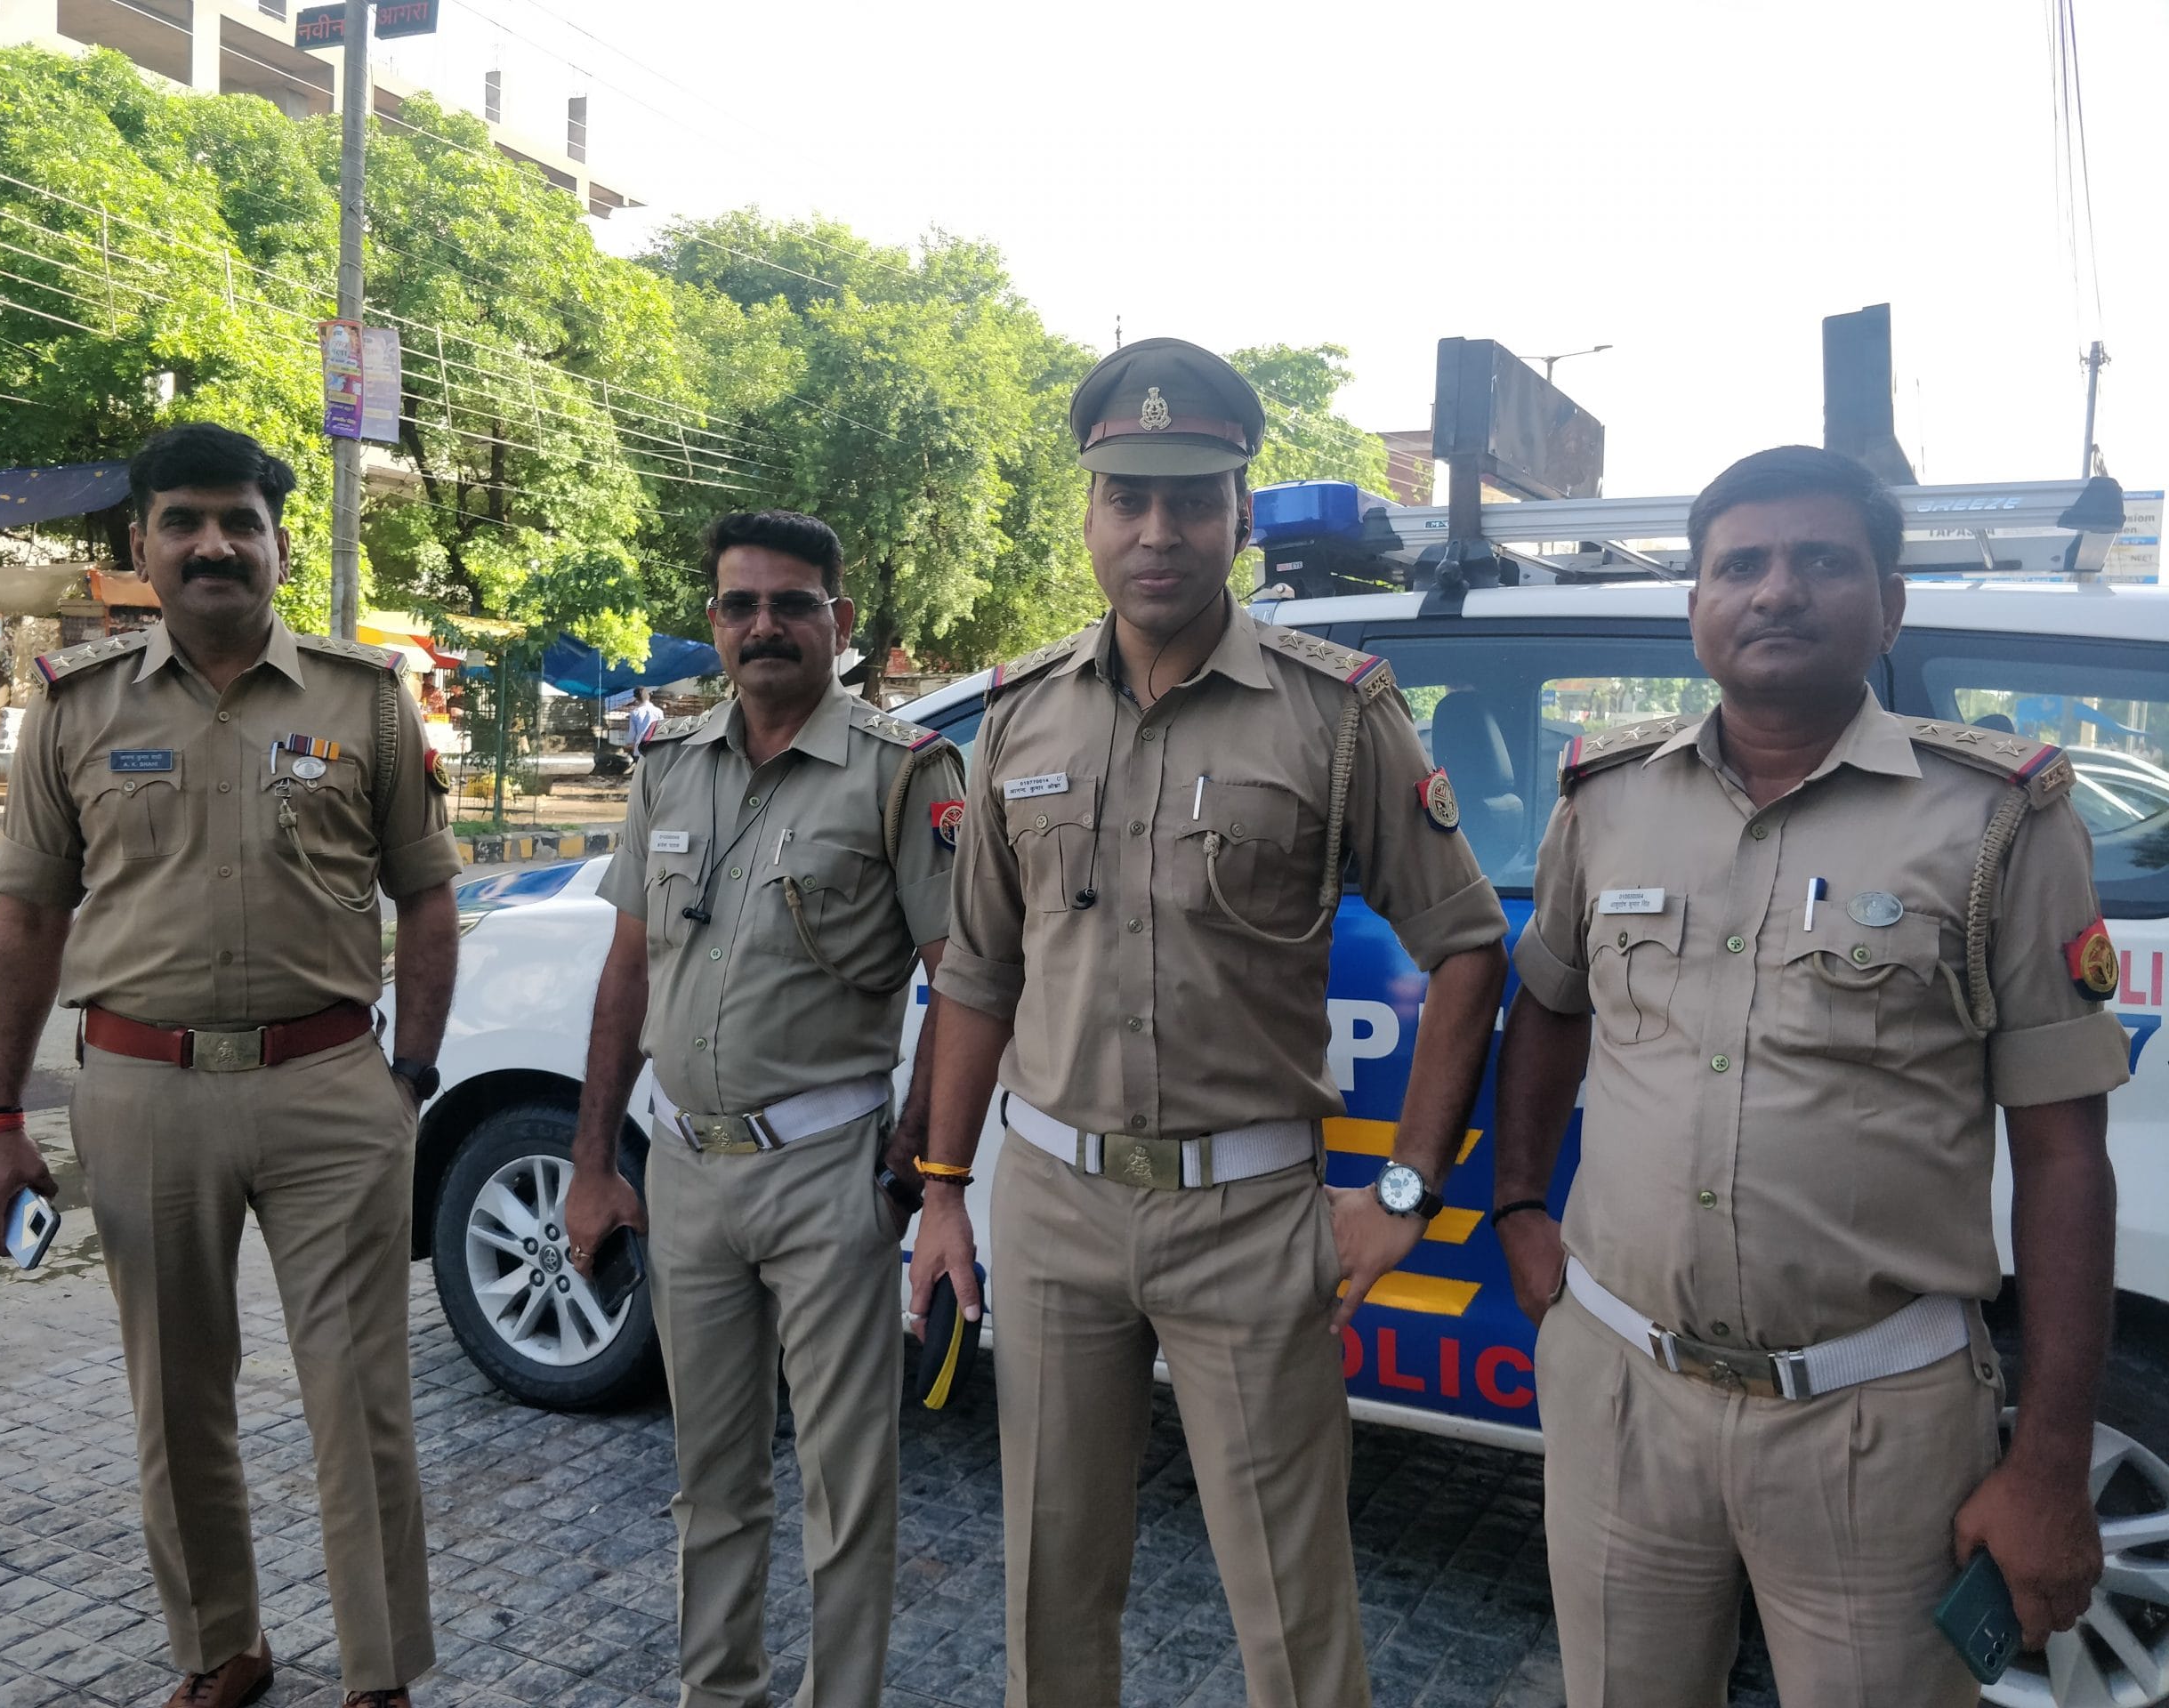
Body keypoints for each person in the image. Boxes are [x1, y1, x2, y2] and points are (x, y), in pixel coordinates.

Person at [908, 337, 1510, 1708]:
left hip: (1252, 1224)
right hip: (1053, 1208)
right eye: (1128, 498)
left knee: (1292, 1605)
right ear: (1090, 514)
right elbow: (979, 974)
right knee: (1051, 1583)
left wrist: (1406, 1189)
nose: (1158, 531)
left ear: (1239, 512)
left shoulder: (1336, 716)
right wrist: (945, 1192)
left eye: (1191, 499)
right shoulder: (1017, 717)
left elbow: (1468, 948)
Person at [1490, 445, 2128, 1707]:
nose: (1777, 590)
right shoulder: (1606, 799)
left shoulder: (2000, 819)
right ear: (1696, 611)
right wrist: (1517, 1205)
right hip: (1622, 1387)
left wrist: (2050, 1462)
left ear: (1887, 604)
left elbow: (2064, 1155)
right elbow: (1549, 1005)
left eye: (1821, 561)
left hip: (1873, 1414)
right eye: (1743, 565)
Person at [0, 423, 462, 1708]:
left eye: (240, 520)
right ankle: (221, 1649)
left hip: (332, 1091)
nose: (214, 544)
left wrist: (408, 1075)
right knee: (175, 1403)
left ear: (280, 542)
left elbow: (426, 899)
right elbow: (25, 920)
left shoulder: (365, 702)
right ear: (142, 546)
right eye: (184, 521)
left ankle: (379, 1675)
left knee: (361, 1401)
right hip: (140, 1093)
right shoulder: (76, 709)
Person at [563, 509, 964, 1708]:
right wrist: (595, 1159)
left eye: (793, 604)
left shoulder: (902, 774)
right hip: (684, 1172)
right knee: (710, 1473)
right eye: (740, 605)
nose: (765, 626)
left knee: (847, 1483)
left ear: (837, 623)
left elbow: (969, 984)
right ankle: (718, 1692)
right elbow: (627, 975)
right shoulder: (670, 766)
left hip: (826, 1169)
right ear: (714, 623)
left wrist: (906, 1174)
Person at [624, 684, 664, 753]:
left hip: (640, 749)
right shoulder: (659, 712)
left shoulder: (635, 713)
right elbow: (662, 730)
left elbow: (632, 734)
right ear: (648, 696)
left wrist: (629, 744)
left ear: (636, 698)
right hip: (655, 748)